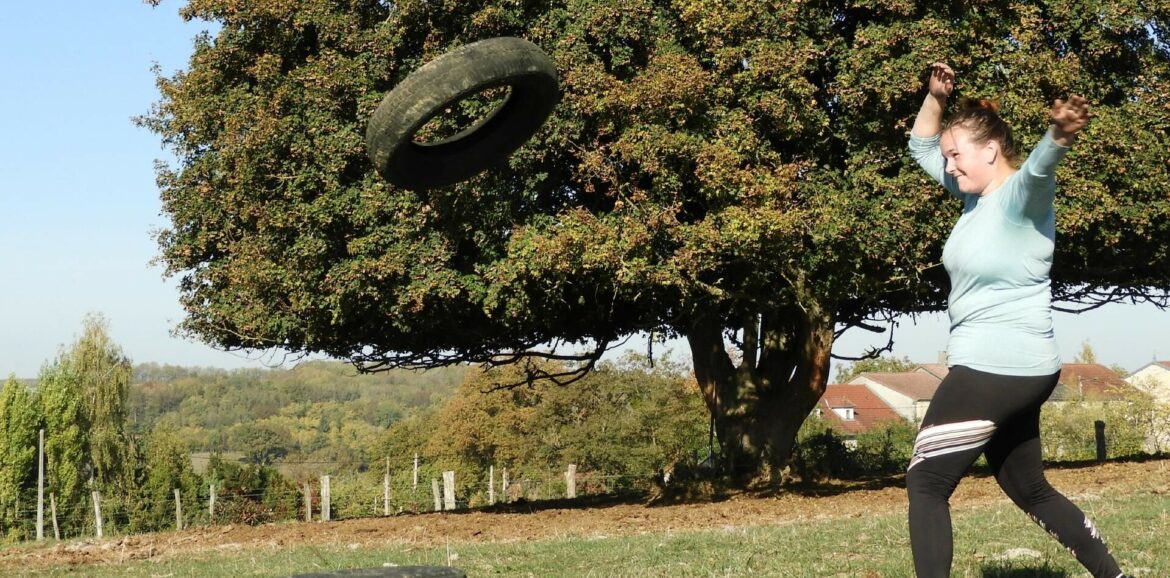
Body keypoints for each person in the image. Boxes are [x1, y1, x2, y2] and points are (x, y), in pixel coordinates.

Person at [905, 62, 1130, 578]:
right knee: (1029, 489)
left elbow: (1037, 171)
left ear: (990, 151)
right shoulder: (973, 200)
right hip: (1022, 368)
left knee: (926, 482)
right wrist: (936, 99)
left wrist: (1057, 134)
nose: (951, 166)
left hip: (994, 368)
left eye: (957, 155)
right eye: (949, 159)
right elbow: (920, 146)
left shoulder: (1017, 201)